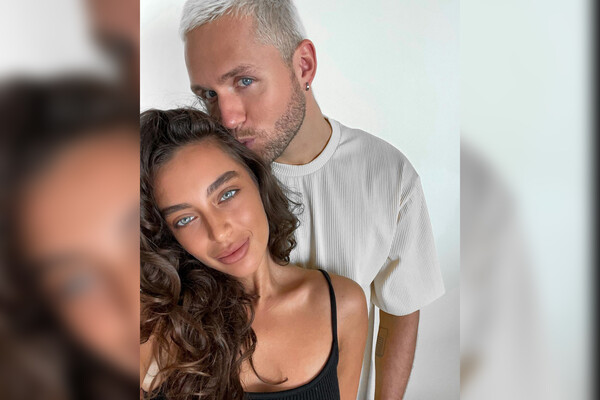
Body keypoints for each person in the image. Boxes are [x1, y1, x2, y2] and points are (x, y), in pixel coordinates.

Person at [178, 1, 446, 398]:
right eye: (208, 94)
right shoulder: (205, 187)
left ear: (303, 65)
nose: (228, 117)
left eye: (244, 81)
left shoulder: (389, 174)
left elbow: (401, 308)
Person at [139, 108, 368, 400]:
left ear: (257, 178)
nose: (219, 233)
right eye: (185, 219)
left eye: (226, 194)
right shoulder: (157, 324)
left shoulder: (344, 306)